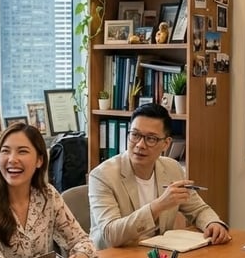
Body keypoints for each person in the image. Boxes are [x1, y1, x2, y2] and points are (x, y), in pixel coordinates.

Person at [89, 103, 230, 249]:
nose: (140, 145)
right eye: (135, 135)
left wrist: (213, 223)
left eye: (151, 138)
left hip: (158, 257)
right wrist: (158, 206)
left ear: (166, 144)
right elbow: (111, 235)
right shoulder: (103, 176)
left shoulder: (172, 168)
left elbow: (198, 209)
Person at [0, 122, 97, 258]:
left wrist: (80, 257)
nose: (12, 159)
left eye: (22, 151)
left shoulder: (47, 195)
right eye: (5, 151)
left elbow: (82, 240)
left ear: (39, 160)